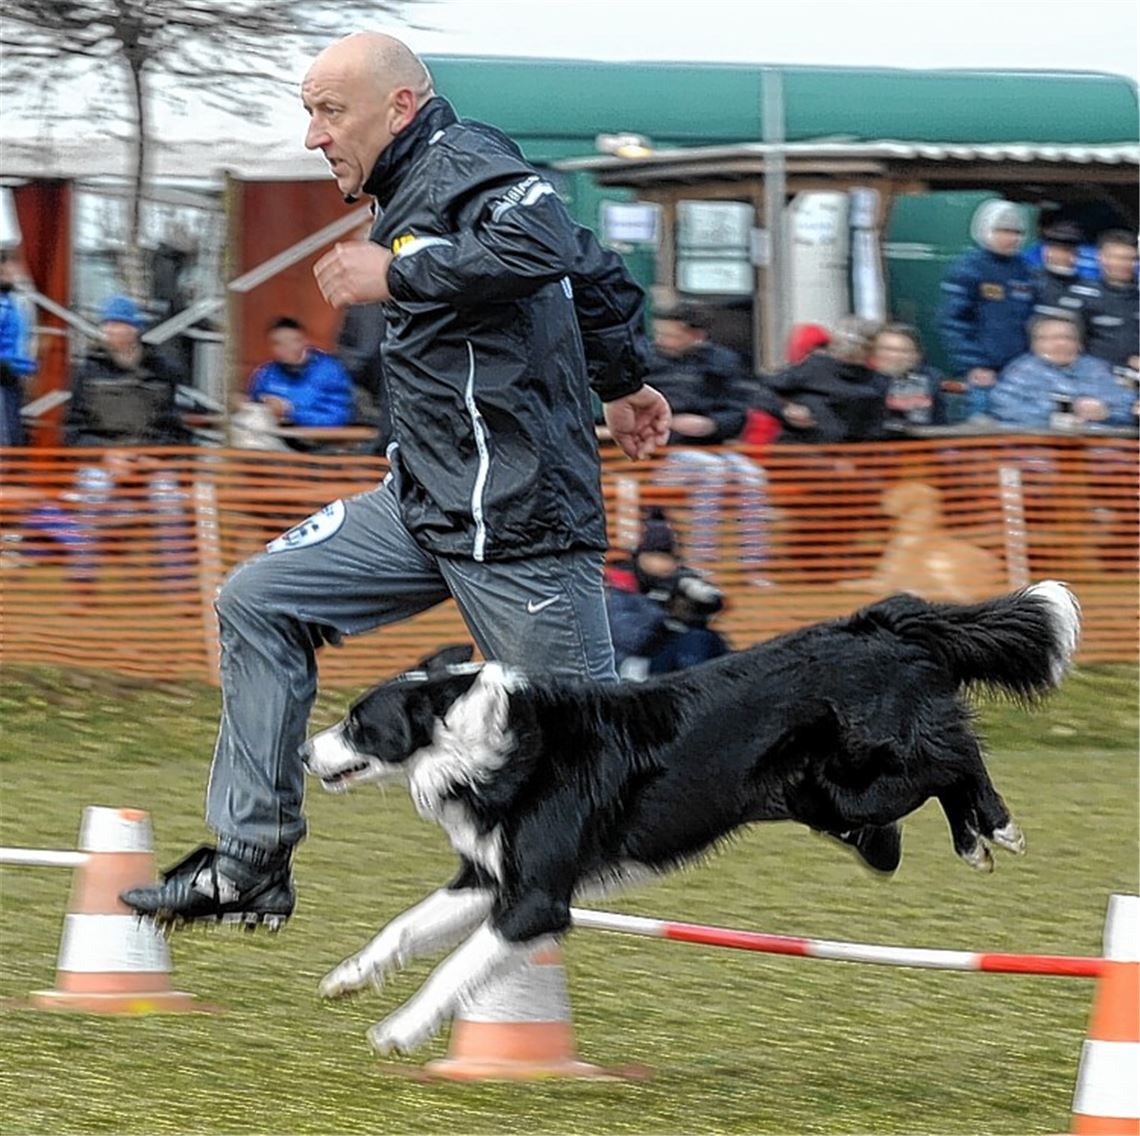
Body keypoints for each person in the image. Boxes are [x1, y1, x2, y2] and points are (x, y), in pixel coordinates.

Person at [120, 31, 671, 929]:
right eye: (308, 112)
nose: (314, 136)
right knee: (259, 600)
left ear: (400, 108)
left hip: (519, 523)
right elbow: (592, 266)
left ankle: (824, 762)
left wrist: (399, 271)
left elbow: (540, 243)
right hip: (421, 504)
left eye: (330, 111)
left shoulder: (466, 156)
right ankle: (250, 862)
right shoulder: (407, 187)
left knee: (603, 765)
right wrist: (623, 382)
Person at [64, 295, 194, 589]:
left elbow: (178, 431)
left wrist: (155, 459)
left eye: (119, 324)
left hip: (151, 462)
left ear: (134, 329)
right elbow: (72, 432)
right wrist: (105, 456)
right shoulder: (87, 372)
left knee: (169, 499)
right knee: (92, 495)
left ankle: (178, 586)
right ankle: (81, 584)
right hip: (104, 462)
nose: (112, 331)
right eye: (108, 325)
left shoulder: (164, 371)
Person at [937, 200, 1036, 421]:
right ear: (986, 230)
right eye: (1003, 231)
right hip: (983, 375)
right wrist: (973, 364)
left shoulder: (1026, 270)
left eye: (1016, 232)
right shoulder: (969, 268)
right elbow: (952, 321)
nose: (1011, 238)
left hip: (1022, 373)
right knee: (981, 430)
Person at [604, 509, 730, 679]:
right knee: (693, 642)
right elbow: (628, 637)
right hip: (631, 665)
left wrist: (695, 604)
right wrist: (669, 617)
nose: (664, 564)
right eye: (657, 555)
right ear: (642, 556)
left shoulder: (680, 580)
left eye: (668, 557)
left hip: (674, 660)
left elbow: (714, 601)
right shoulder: (620, 584)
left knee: (706, 639)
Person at [990, 313, 1134, 431]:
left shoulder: (1098, 369)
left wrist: (1107, 413)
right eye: (1052, 338)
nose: (1061, 343)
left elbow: (1128, 407)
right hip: (1041, 446)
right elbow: (1003, 408)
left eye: (1068, 338)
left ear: (1079, 344)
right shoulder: (1020, 371)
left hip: (1100, 448)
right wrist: (1058, 414)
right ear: (1034, 344)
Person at [763, 315, 889, 443]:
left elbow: (874, 430)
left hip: (855, 453)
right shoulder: (816, 367)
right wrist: (785, 409)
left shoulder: (878, 381)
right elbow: (762, 390)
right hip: (804, 449)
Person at [236, 316, 355, 448]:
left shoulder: (329, 371)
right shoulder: (266, 373)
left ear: (304, 341)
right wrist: (244, 404)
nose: (284, 348)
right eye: (277, 343)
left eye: (291, 341)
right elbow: (255, 404)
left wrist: (290, 411)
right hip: (273, 437)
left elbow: (338, 418)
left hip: (317, 444)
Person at [1059, 230, 1140, 373]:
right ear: (1101, 258)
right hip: (1095, 378)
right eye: (1116, 257)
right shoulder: (1080, 296)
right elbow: (1066, 344)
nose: (1124, 264)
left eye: (1130, 258)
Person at [0, 248, 36, 447]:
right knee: (6, 441)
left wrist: (28, 368)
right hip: (4, 378)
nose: (15, 272)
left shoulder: (14, 302)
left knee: (14, 436)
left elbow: (21, 341)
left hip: (14, 378)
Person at [1031, 220, 1084, 318]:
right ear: (1046, 251)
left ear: (1075, 254)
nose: (1061, 256)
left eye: (1066, 251)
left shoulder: (1085, 288)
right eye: (1055, 249)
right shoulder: (1030, 280)